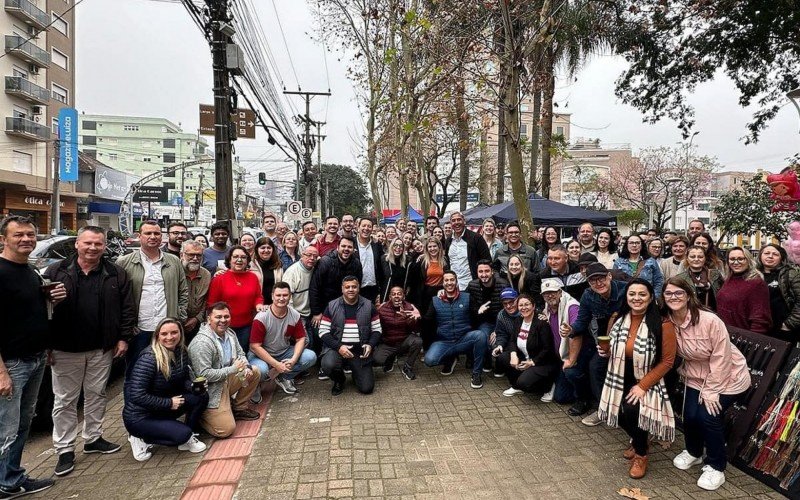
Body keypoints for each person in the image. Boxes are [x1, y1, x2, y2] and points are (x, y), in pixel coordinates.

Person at [44, 226, 135, 476]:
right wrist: (47, 344)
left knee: (97, 394)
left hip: (101, 347)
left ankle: (93, 438)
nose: (93, 248)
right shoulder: (56, 271)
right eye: (88, 243)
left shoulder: (115, 273)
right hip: (65, 349)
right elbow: (42, 311)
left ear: (104, 246)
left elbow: (127, 308)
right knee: (65, 400)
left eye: (98, 243)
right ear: (77, 244)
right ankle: (64, 449)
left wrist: (123, 338)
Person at [662, 279, 750, 490]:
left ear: (689, 295)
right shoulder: (667, 321)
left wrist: (712, 391)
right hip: (695, 374)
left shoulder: (709, 320)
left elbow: (722, 357)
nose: (673, 297)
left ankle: (716, 466)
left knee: (708, 416)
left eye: (678, 293)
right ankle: (694, 452)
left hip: (729, 376)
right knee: (690, 415)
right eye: (668, 293)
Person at [0, 216, 65, 497]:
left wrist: (53, 300)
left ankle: (12, 478)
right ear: (3, 239)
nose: (26, 240)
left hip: (36, 358)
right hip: (11, 363)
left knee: (22, 425)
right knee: (5, 428)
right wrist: (1, 371)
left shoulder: (29, 271)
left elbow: (32, 313)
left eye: (30, 235)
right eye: (19, 235)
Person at [597, 279, 676, 479]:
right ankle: (639, 439)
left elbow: (667, 361)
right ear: (626, 296)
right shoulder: (617, 318)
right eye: (632, 294)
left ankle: (641, 454)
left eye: (642, 294)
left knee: (632, 410)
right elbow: (611, 347)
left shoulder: (663, 323)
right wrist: (605, 352)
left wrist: (642, 386)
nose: (636, 298)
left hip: (648, 376)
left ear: (650, 298)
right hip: (619, 373)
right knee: (615, 409)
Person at [123, 319, 208, 462]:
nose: (170, 337)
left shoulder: (181, 351)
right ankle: (139, 437)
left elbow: (183, 380)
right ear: (157, 336)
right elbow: (136, 395)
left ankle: (187, 435)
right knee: (182, 435)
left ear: (180, 333)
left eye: (174, 332)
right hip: (140, 416)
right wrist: (168, 403)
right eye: (164, 334)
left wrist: (193, 387)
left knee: (201, 396)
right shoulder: (149, 359)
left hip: (161, 408)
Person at [117, 219, 188, 378]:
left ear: (162, 237)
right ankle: (132, 403)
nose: (153, 236)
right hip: (139, 329)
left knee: (167, 372)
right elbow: (118, 297)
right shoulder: (124, 262)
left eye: (156, 233)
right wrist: (126, 327)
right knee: (136, 372)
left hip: (167, 329)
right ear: (139, 236)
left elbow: (183, 291)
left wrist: (179, 316)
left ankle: (163, 403)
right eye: (148, 233)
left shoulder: (174, 261)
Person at [561, 263, 627, 425]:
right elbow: (581, 322)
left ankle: (621, 410)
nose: (598, 283)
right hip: (603, 340)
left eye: (601, 278)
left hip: (629, 339)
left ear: (609, 276)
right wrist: (571, 330)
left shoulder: (627, 290)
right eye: (593, 281)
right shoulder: (588, 296)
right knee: (585, 368)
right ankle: (602, 408)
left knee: (605, 368)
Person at [188, 302, 261, 437]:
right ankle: (202, 416)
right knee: (225, 430)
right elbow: (203, 375)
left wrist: (247, 366)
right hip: (212, 389)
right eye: (218, 317)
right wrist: (233, 369)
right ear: (208, 319)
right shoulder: (201, 343)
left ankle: (238, 408)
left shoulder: (230, 333)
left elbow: (240, 354)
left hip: (226, 380)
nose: (223, 320)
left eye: (226, 316)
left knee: (255, 371)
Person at [248, 282, 317, 397]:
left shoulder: (294, 314)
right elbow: (254, 346)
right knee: (261, 370)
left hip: (283, 352)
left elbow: (301, 338)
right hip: (259, 355)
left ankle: (282, 376)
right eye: (278, 295)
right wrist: (276, 364)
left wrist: (293, 360)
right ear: (272, 296)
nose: (281, 298)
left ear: (290, 296)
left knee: (310, 357)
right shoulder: (262, 317)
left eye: (285, 295)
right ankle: (256, 385)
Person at [424, 271, 488, 389]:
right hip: (445, 341)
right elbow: (427, 321)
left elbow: (476, 316)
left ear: (456, 281)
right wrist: (416, 318)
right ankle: (450, 358)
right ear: (442, 283)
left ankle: (476, 373)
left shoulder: (467, 297)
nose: (449, 283)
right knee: (429, 360)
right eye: (446, 280)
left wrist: (480, 312)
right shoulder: (435, 300)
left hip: (464, 339)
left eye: (452, 280)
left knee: (480, 335)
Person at [319, 276, 382, 396]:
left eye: (354, 286)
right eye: (347, 287)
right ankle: (339, 380)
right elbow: (322, 331)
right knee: (328, 364)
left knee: (366, 388)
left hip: (360, 352)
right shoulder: (332, 306)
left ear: (359, 288)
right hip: (338, 349)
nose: (351, 289)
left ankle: (356, 372)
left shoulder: (369, 306)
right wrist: (339, 347)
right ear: (342, 289)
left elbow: (377, 329)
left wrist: (370, 344)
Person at [495, 293, 559, 398]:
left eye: (527, 304)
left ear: (533, 306)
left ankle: (548, 386)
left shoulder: (541, 323)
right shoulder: (518, 320)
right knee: (503, 357)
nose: (524, 308)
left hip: (542, 362)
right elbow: (512, 340)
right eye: (521, 305)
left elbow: (547, 349)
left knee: (524, 383)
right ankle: (516, 386)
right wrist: (513, 354)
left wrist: (531, 362)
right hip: (525, 357)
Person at [206, 245, 266, 351]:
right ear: (229, 259)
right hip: (224, 326)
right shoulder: (219, 279)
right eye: (235, 257)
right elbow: (211, 304)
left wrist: (259, 304)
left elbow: (258, 296)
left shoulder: (253, 277)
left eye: (243, 257)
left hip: (246, 326)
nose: (239, 260)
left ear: (247, 261)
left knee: (242, 354)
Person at [538, 279, 582, 404]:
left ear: (560, 292)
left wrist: (571, 361)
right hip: (558, 356)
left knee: (562, 397)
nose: (549, 295)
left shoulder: (572, 306)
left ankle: (584, 397)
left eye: (553, 292)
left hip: (575, 357)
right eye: (546, 293)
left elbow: (577, 333)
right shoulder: (548, 306)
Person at [310, 236, 363, 328]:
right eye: (343, 246)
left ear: (353, 249)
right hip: (325, 306)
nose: (346, 249)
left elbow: (358, 287)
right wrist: (316, 313)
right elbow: (315, 287)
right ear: (338, 247)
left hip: (346, 306)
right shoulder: (325, 262)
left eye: (349, 247)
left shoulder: (356, 263)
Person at [716, 247, 771, 333]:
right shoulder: (729, 278)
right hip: (725, 333)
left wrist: (752, 340)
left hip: (742, 336)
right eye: (732, 259)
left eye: (741, 259)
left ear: (748, 260)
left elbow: (760, 318)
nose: (736, 262)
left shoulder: (756, 283)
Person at [467, 260, 509, 372]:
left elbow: (509, 307)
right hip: (484, 322)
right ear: (477, 272)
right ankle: (487, 362)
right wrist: (478, 310)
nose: (484, 274)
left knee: (499, 340)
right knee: (484, 338)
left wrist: (498, 329)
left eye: (487, 271)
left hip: (501, 321)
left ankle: (500, 366)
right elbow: (466, 302)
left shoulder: (503, 284)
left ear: (492, 272)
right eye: (480, 271)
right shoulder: (472, 285)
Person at [374, 285, 423, 380]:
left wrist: (410, 320)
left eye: (399, 294)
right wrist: (376, 311)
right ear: (390, 297)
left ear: (403, 297)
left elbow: (416, 330)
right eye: (394, 294)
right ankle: (390, 359)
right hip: (388, 343)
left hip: (404, 341)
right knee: (377, 360)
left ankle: (407, 368)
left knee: (418, 341)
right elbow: (375, 327)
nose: (396, 296)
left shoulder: (410, 308)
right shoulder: (382, 308)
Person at [757, 244, 800, 340]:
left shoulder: (790, 274)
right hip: (759, 327)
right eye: (766, 253)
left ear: (781, 258)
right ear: (760, 256)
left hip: (782, 329)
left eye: (775, 254)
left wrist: (789, 324)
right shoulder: (754, 275)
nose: (770, 256)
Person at [283, 246, 320, 354]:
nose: (312, 258)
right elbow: (286, 299)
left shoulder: (314, 269)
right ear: (302, 256)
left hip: (310, 313)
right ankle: (292, 367)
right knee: (305, 342)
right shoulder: (293, 272)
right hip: (296, 314)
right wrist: (294, 319)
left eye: (315, 256)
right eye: (308, 255)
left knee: (313, 342)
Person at [444, 211, 491, 291]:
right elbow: (448, 261)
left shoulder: (476, 238)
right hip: (453, 286)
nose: (456, 222)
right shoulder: (448, 241)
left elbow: (487, 260)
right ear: (451, 223)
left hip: (472, 285)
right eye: (453, 220)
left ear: (464, 221)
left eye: (459, 219)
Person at [613, 233, 664, 298]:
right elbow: (614, 282)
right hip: (624, 299)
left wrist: (654, 297)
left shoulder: (650, 261)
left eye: (637, 243)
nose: (634, 245)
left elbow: (658, 280)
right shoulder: (619, 262)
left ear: (642, 245)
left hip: (646, 298)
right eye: (631, 243)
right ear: (627, 245)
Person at [676, 245, 724, 309]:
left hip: (712, 314)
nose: (696, 259)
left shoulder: (715, 274)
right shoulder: (680, 278)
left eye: (700, 257)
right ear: (687, 259)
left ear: (705, 258)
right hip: (691, 314)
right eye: (692, 257)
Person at [181, 240, 211, 342]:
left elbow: (206, 300)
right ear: (182, 254)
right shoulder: (175, 271)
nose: (195, 258)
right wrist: (182, 320)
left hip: (197, 324)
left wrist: (196, 319)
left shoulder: (206, 275)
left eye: (198, 255)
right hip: (176, 324)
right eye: (191, 255)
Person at [354, 217, 384, 303]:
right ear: (358, 227)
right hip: (356, 288)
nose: (366, 228)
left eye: (369, 226)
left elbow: (381, 265)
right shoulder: (351, 243)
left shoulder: (376, 244)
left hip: (373, 289)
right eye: (363, 226)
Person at [252, 237, 284, 305]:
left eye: (269, 248)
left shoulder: (278, 265)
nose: (266, 250)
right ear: (257, 249)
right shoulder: (250, 266)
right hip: (257, 305)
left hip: (274, 304)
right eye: (263, 248)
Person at [379, 237, 409, 302]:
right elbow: (379, 277)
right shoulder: (384, 259)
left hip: (400, 296)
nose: (398, 248)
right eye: (395, 245)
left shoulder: (407, 260)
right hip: (386, 294)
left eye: (401, 246)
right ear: (391, 247)